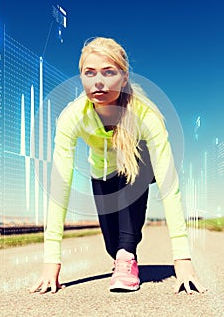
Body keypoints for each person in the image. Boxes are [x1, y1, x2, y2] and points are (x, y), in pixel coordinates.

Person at [29, 37, 206, 295]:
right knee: (112, 245)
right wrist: (50, 263)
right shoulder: (72, 116)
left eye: (108, 72)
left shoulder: (146, 114)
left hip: (137, 166)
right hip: (102, 173)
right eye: (89, 73)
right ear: (81, 78)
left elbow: (169, 185)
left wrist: (182, 259)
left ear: (124, 78)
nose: (98, 81)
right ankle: (121, 253)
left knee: (125, 242)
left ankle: (126, 255)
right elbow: (60, 183)